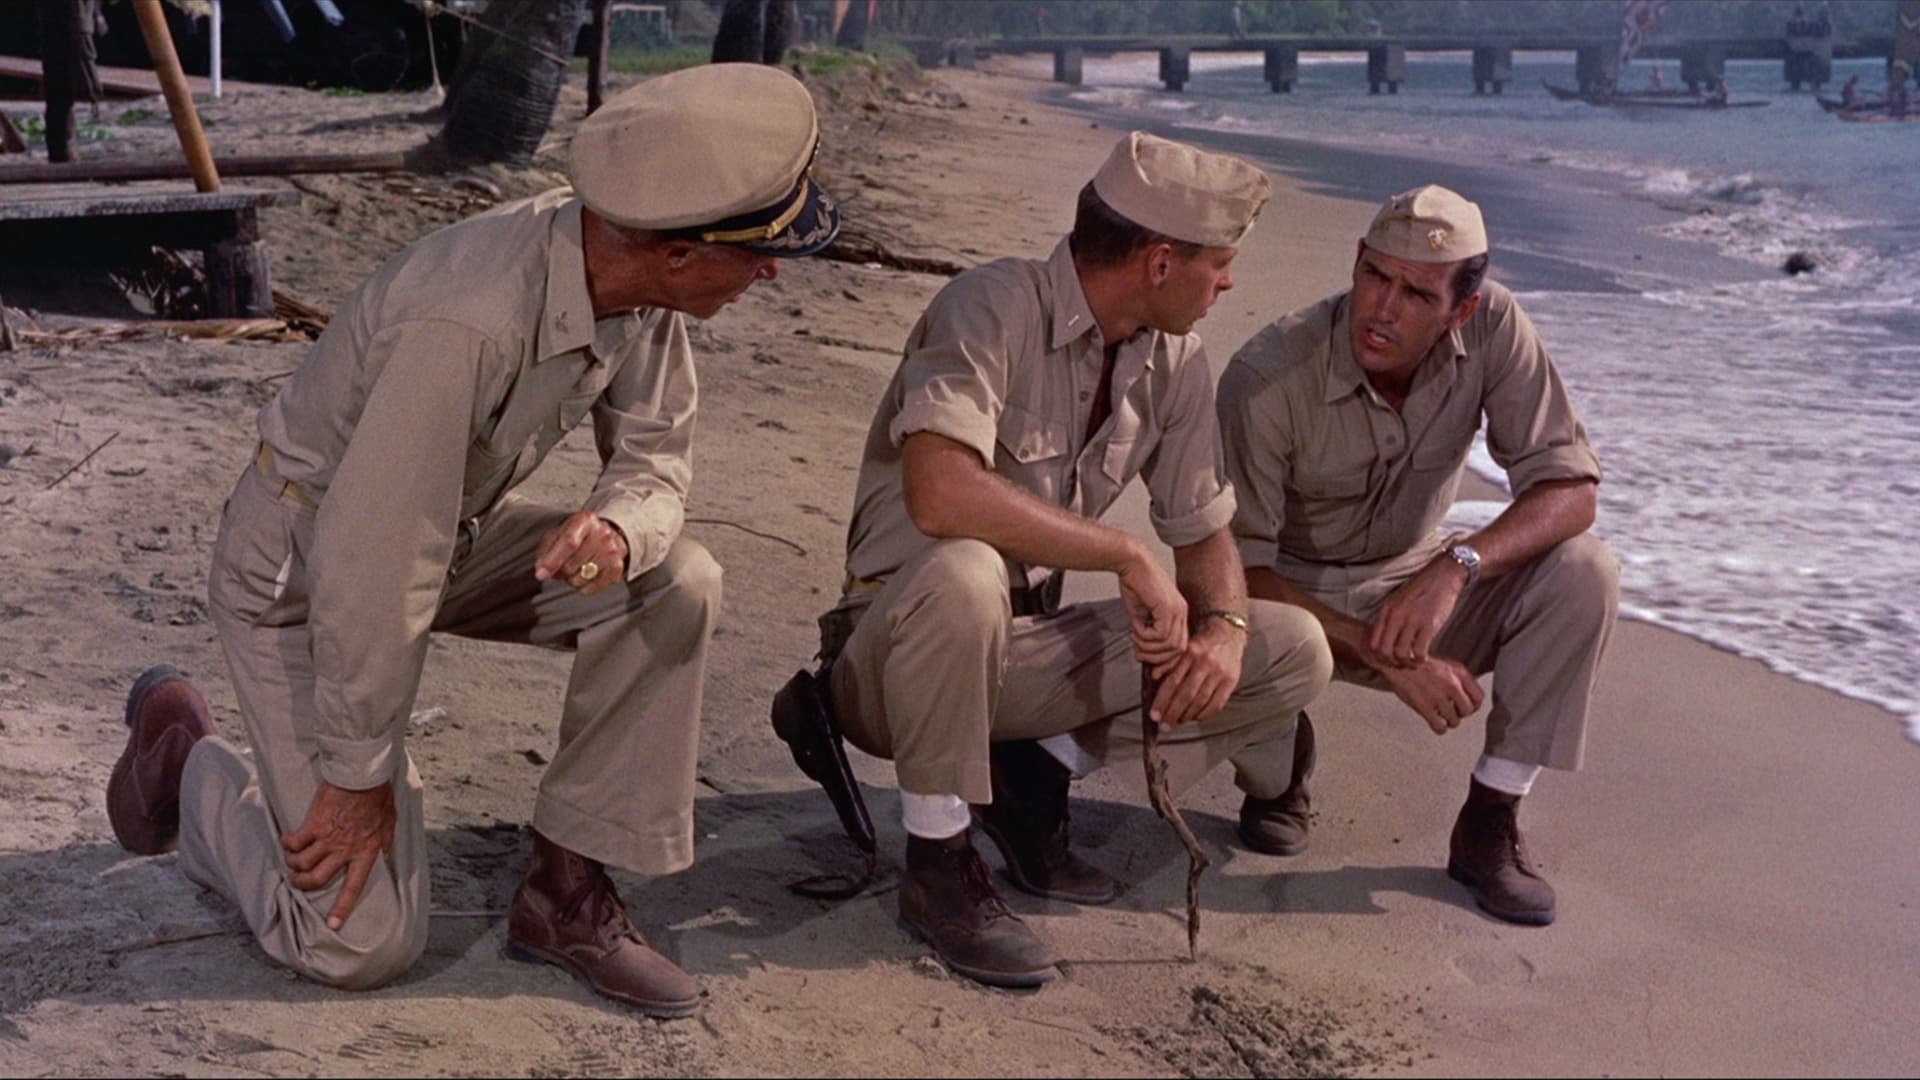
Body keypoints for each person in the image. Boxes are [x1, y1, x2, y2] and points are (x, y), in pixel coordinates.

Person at [103, 64, 842, 1017]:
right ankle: (191, 762)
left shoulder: (632, 272)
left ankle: (565, 893)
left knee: (676, 581)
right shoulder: (467, 322)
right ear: (676, 255)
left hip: (437, 542)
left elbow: (658, 456)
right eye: (759, 252)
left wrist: (621, 527)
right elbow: (371, 562)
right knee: (359, 943)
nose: (771, 270)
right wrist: (357, 775)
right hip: (304, 573)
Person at [787, 132, 1332, 988]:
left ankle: (1034, 775)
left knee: (1292, 646)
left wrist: (1224, 628)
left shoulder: (1175, 361)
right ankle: (938, 864)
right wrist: (1124, 553)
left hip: (1019, 661)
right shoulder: (988, 306)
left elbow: (1204, 534)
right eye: (1220, 264)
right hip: (894, 661)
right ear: (1160, 261)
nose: (1227, 284)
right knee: (966, 572)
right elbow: (939, 493)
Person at [1215, 186, 1619, 927]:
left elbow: (1571, 490)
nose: (1382, 309)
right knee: (1243, 676)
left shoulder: (1495, 325)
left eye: (1416, 294)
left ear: (1461, 308)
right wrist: (1385, 654)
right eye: (1375, 276)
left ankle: (1490, 820)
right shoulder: (1267, 375)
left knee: (1584, 572)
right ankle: (1280, 766)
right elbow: (1235, 574)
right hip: (1288, 599)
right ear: (1357, 261)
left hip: (1417, 577)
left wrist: (1456, 568)